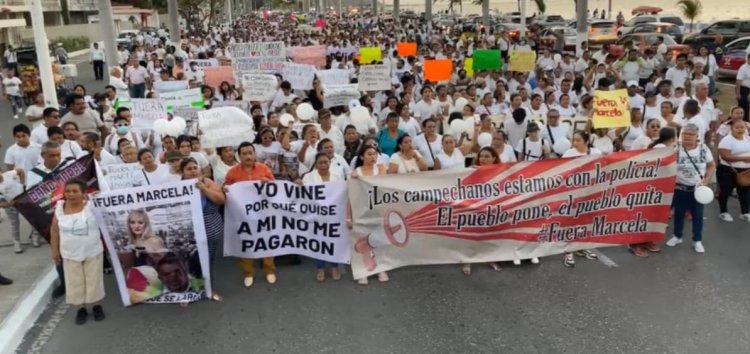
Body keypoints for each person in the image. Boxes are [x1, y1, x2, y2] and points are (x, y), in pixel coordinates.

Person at [50, 179, 105, 325]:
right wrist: (54, 250)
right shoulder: (60, 208)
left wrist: (102, 195)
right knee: (75, 282)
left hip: (92, 251)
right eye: (68, 191)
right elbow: (54, 230)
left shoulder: (92, 205)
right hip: (69, 254)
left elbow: (111, 202)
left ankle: (96, 306)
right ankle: (81, 309)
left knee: (94, 280)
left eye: (75, 191)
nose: (71, 194)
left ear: (83, 193)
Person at [223, 142, 277, 287]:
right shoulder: (232, 172)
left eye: (250, 153)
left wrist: (269, 183)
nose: (248, 156)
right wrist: (227, 190)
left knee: (266, 241)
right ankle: (248, 272)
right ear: (239, 156)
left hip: (264, 213)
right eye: (244, 154)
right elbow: (226, 189)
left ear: (254, 154)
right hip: (243, 216)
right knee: (246, 243)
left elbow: (275, 188)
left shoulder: (264, 168)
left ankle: (269, 270)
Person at [665, 124, 716, 254]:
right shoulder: (675, 149)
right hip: (679, 188)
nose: (687, 136)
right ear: (681, 135)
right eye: (685, 134)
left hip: (697, 189)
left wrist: (707, 180)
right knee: (679, 214)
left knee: (697, 216)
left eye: (691, 134)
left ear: (697, 136)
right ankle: (677, 236)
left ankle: (697, 240)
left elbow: (711, 165)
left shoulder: (704, 149)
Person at [180, 157, 225, 301]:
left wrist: (205, 190)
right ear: (183, 172)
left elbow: (221, 200)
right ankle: (191, 290)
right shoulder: (178, 188)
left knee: (208, 261)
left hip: (211, 229)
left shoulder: (208, 182)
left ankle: (208, 289)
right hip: (190, 233)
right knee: (190, 262)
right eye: (189, 169)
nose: (193, 171)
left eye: (195, 167)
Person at [462, 146, 505, 276]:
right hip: (474, 207)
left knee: (490, 234)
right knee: (472, 235)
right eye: (481, 156)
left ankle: (489, 259)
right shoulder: (471, 171)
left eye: (487, 157)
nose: (483, 159)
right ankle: (467, 261)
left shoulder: (501, 171)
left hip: (492, 208)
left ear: (493, 158)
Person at [302, 153, 344, 282]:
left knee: (332, 241)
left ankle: (334, 266)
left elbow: (343, 194)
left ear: (329, 163)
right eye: (320, 162)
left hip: (334, 214)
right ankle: (320, 267)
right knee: (319, 242)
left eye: (326, 162)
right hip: (316, 214)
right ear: (316, 163)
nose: (323, 165)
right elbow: (305, 195)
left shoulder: (337, 177)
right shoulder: (309, 177)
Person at [351, 145, 389, 285]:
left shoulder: (380, 169)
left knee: (379, 239)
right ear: (362, 157)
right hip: (361, 210)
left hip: (378, 209)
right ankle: (363, 269)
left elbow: (383, 184)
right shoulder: (356, 172)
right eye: (369, 154)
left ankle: (381, 268)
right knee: (362, 240)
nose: (373, 157)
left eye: (374, 154)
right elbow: (352, 194)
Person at [716, 119, 750, 222]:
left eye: (742, 127)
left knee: (745, 192)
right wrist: (743, 159)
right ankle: (723, 212)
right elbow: (725, 156)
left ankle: (745, 212)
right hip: (728, 170)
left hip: (745, 171)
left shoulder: (747, 138)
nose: (740, 130)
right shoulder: (726, 140)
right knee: (725, 191)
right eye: (737, 127)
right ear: (732, 129)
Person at [735, 53, 750, 121]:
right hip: (743, 89)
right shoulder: (743, 68)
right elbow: (738, 81)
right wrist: (738, 93)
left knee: (747, 108)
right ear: (748, 59)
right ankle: (742, 121)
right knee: (743, 107)